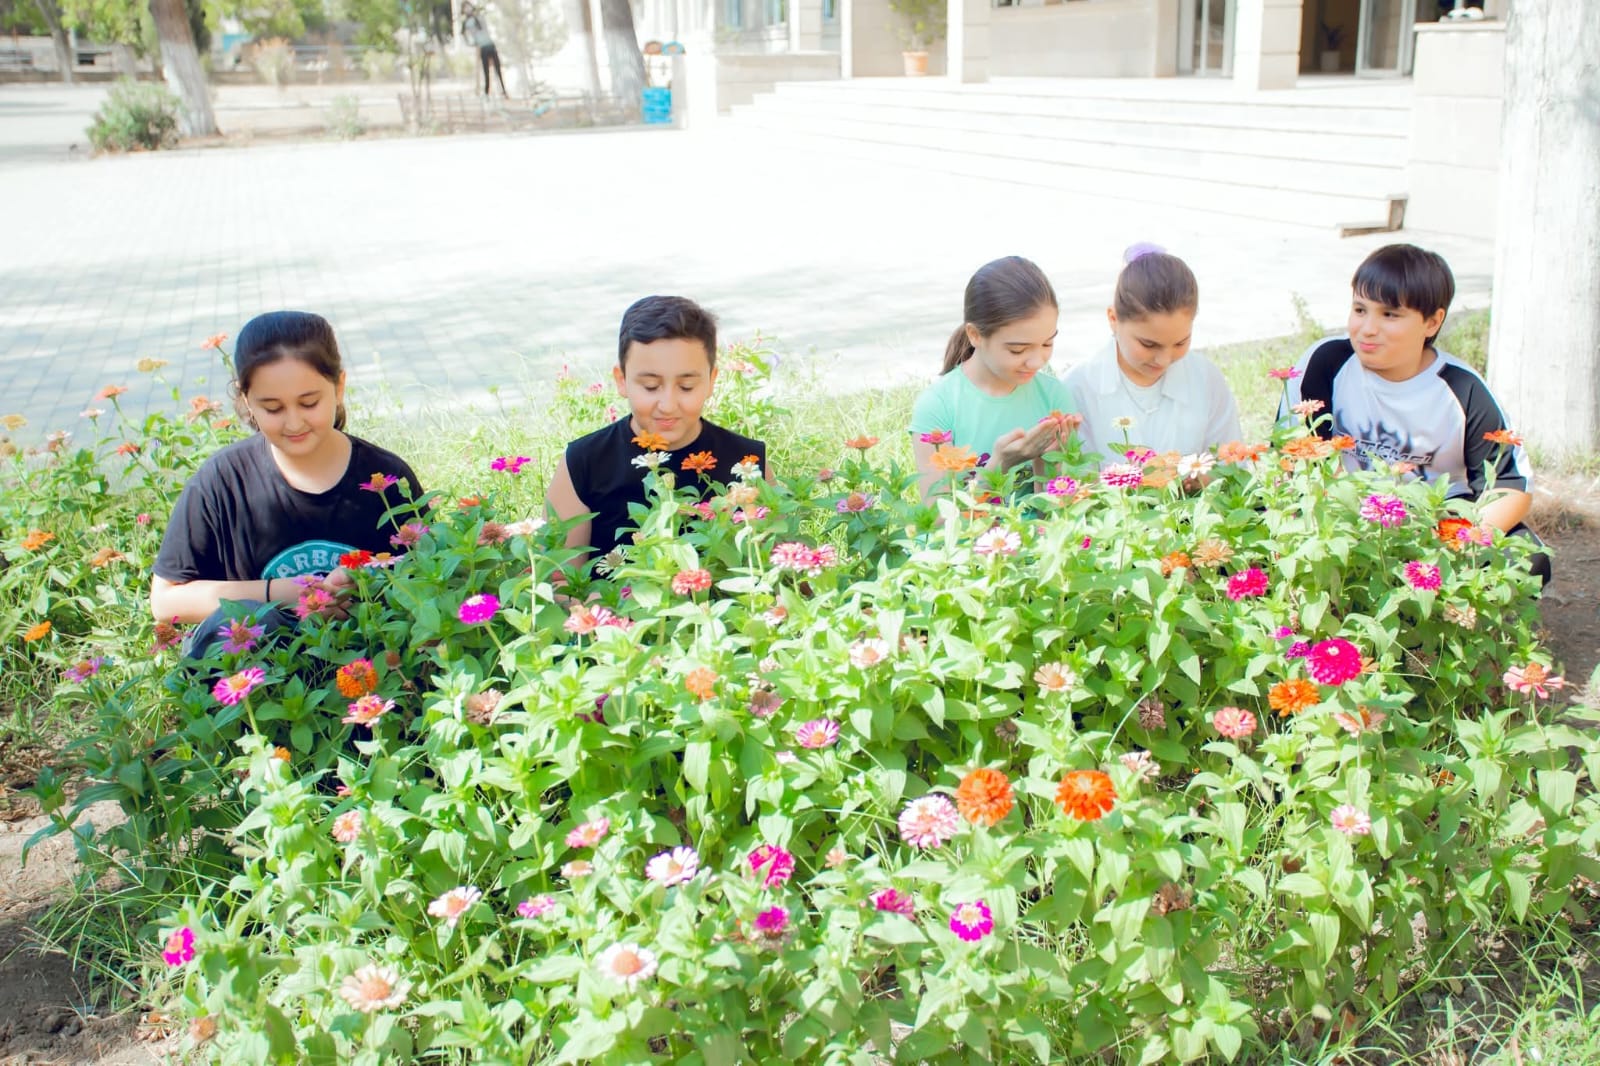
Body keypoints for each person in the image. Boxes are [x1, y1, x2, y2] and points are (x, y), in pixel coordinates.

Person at [152, 311, 424, 653]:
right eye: (273, 408)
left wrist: (365, 584)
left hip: (369, 660)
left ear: (339, 387)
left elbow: (428, 577)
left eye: (309, 403)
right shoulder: (221, 482)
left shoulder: (385, 477)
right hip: (256, 670)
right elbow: (165, 600)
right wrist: (283, 593)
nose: (294, 423)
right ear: (246, 399)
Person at [1280, 243, 1549, 584]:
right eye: (1360, 309)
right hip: (1345, 519)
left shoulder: (1462, 390)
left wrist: (1452, 544)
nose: (1368, 328)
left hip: (1437, 528)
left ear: (1432, 322)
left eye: (1389, 315)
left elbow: (1511, 487)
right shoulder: (1325, 363)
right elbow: (1293, 458)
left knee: (1526, 557)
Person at [544, 295, 768, 559]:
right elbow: (557, 574)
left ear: (711, 380)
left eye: (686, 387)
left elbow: (775, 563)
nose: (668, 405)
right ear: (622, 380)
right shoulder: (584, 462)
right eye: (650, 387)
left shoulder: (748, 462)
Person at [909, 256, 1079, 500]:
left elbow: (1063, 513)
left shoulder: (1053, 396)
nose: (1036, 361)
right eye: (1018, 350)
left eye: (1047, 343)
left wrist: (1046, 460)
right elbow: (938, 518)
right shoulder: (939, 405)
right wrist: (1000, 464)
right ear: (975, 335)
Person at [1064, 244, 1241, 464]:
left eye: (1180, 343)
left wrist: (1200, 477)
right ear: (1113, 319)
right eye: (1148, 344)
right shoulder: (1078, 389)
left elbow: (1232, 465)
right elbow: (1074, 475)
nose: (1164, 360)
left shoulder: (1205, 380)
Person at [461, 2, 508, 98]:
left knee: (498, 69)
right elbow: (465, 34)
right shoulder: (467, 22)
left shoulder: (479, 17)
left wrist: (477, 14)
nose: (468, 9)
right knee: (486, 71)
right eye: (465, 8)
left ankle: (503, 90)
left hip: (490, 44)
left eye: (469, 7)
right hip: (483, 47)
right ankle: (487, 93)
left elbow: (484, 25)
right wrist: (471, 43)